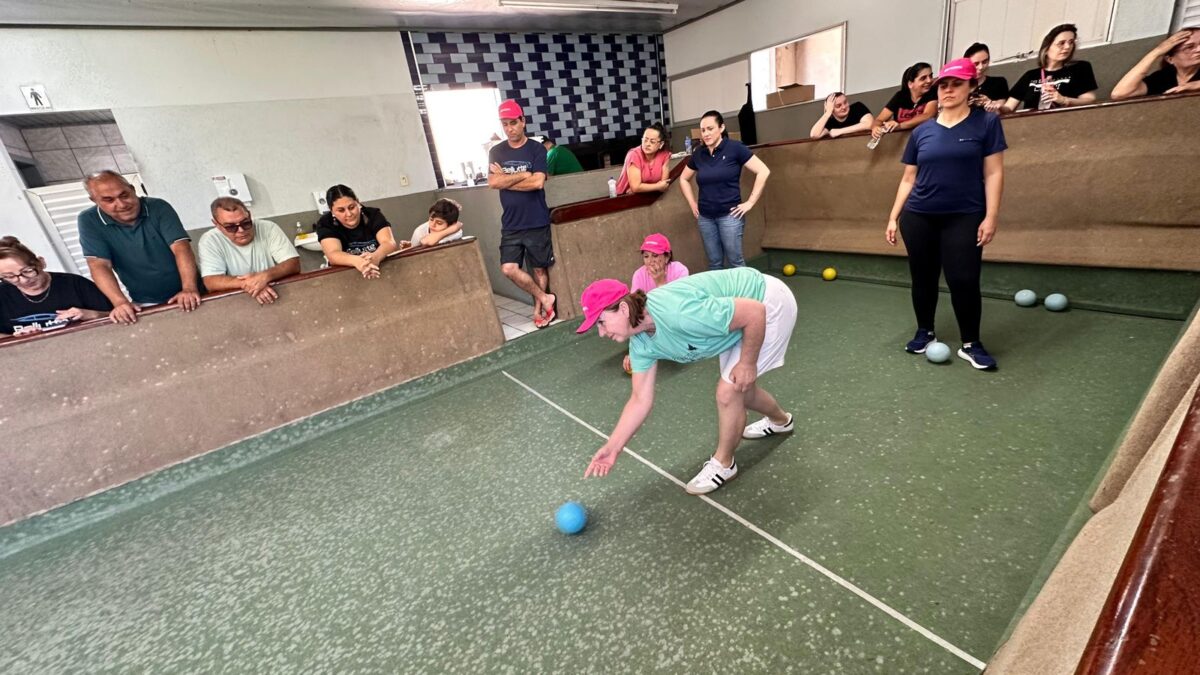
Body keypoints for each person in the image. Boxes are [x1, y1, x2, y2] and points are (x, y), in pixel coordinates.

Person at [577, 266, 798, 495]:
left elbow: (754, 312)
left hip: (767, 303)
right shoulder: (641, 342)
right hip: (738, 316)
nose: (601, 333)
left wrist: (748, 363)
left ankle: (724, 464)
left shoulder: (679, 313)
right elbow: (639, 399)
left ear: (623, 308)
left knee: (729, 392)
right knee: (741, 389)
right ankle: (781, 422)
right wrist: (613, 447)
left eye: (601, 322)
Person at [885, 58, 1007, 371]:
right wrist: (892, 217)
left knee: (963, 279)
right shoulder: (922, 132)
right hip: (919, 216)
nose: (948, 89)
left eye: (956, 84)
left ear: (971, 87)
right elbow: (908, 178)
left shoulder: (986, 123)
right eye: (943, 84)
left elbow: (993, 173)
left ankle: (971, 343)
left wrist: (991, 216)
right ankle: (924, 331)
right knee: (922, 278)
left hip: (965, 215)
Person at [77, 170, 202, 325]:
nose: (121, 204)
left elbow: (180, 248)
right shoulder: (88, 221)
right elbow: (99, 265)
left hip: (194, 291)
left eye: (124, 195)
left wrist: (189, 288)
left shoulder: (158, 207)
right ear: (94, 200)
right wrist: (120, 302)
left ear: (133, 189)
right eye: (109, 200)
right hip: (145, 301)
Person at [488, 99, 557, 328]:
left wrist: (505, 180)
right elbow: (492, 183)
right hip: (511, 223)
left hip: (536, 219)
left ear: (523, 121)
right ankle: (545, 298)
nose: (509, 128)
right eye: (505, 124)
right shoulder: (496, 151)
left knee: (539, 268)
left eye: (513, 123)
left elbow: (538, 183)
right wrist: (523, 174)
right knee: (509, 268)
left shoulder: (536, 148)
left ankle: (539, 309)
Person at [678, 110, 771, 271]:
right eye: (703, 130)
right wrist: (693, 204)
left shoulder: (735, 148)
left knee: (735, 261)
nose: (706, 133)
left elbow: (763, 171)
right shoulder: (699, 153)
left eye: (710, 128)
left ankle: (746, 294)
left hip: (730, 216)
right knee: (715, 263)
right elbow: (683, 179)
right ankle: (720, 296)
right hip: (705, 218)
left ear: (721, 128)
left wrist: (750, 202)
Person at [0, 236, 112, 335]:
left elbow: (117, 315)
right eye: (9, 276)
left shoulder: (75, 284)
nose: (23, 280)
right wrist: (16, 337)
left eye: (27, 271)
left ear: (41, 262)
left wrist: (91, 314)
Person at [198, 197, 300, 305]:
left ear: (250, 215)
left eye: (245, 223)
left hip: (275, 295)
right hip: (235, 304)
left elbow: (293, 264)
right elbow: (211, 281)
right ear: (217, 225)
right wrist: (252, 283)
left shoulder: (268, 228)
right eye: (231, 227)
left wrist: (265, 276)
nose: (241, 230)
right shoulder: (210, 240)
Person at [623, 232, 689, 374]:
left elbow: (677, 308)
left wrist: (660, 282)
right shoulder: (639, 274)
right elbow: (635, 313)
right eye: (646, 256)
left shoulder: (680, 270)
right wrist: (633, 351)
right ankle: (650, 346)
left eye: (655, 255)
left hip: (676, 320)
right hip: (653, 323)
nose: (650, 261)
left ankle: (665, 344)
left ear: (667, 257)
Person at [1004, 24, 1098, 112]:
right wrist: (995, 105)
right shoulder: (1031, 75)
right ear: (1047, 48)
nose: (1067, 47)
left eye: (1071, 42)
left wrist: (1064, 100)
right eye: (1061, 43)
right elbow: (1009, 108)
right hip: (1033, 124)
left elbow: (1089, 100)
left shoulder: (1080, 68)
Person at [316, 184, 400, 280]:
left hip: (378, 269)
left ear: (358, 203)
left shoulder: (373, 215)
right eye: (341, 210)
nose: (349, 214)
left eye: (352, 207)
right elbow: (333, 253)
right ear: (332, 211)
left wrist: (376, 257)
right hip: (345, 278)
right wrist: (358, 261)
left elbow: (389, 242)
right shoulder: (326, 223)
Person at [1111, 28, 1200, 100]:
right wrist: (1156, 52)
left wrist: (1195, 85)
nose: (1198, 50)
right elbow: (1119, 94)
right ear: (1170, 59)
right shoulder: (1165, 76)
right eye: (1189, 47)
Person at [871, 63, 938, 142]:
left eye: (930, 76)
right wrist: (875, 128)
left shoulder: (932, 93)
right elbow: (879, 119)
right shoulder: (900, 96)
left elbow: (928, 115)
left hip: (925, 140)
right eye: (923, 78)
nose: (929, 80)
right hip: (900, 142)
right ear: (910, 84)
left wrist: (899, 126)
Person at [615, 123, 672, 195]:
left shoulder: (665, 155)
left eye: (652, 141)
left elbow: (663, 186)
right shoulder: (634, 155)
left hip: (651, 198)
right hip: (624, 198)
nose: (647, 144)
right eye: (645, 140)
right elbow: (635, 187)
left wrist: (643, 188)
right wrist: (657, 186)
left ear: (661, 144)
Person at [963, 43, 1009, 112]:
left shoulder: (998, 83)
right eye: (976, 64)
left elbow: (1003, 110)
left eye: (985, 62)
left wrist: (990, 103)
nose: (981, 67)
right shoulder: (959, 85)